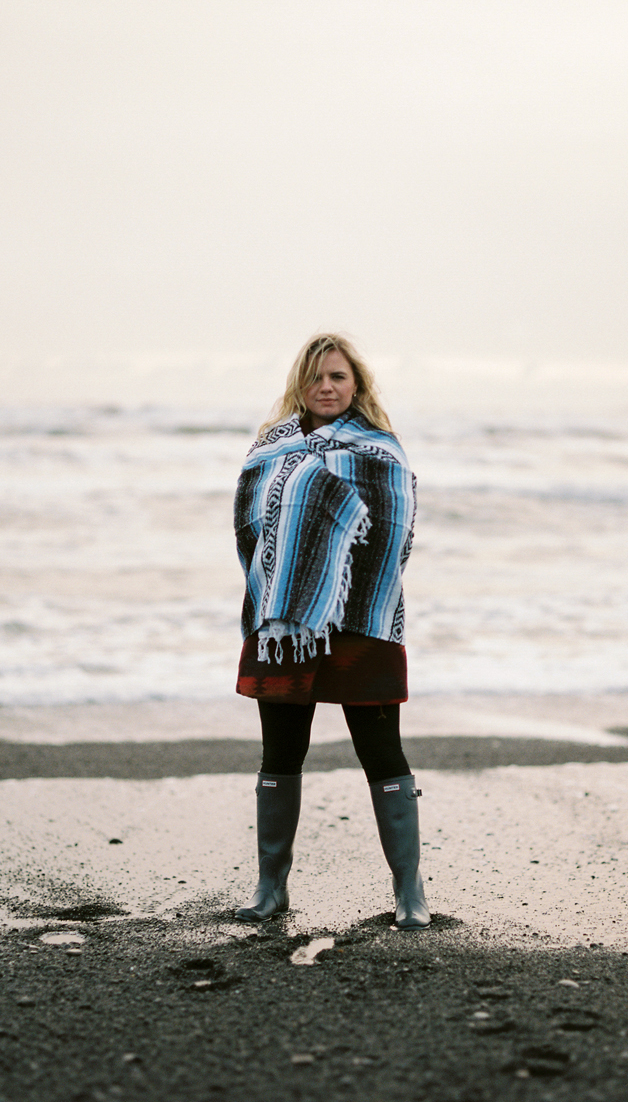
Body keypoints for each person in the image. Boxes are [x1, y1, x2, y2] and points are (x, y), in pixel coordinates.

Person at [232, 333, 429, 929]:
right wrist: (291, 586)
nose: (327, 387)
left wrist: (334, 568)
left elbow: (396, 533)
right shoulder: (269, 451)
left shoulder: (382, 453)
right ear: (300, 384)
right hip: (286, 624)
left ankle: (409, 893)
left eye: (339, 377)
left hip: (361, 618)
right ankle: (271, 889)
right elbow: (251, 531)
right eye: (316, 377)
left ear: (357, 385)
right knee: (282, 750)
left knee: (380, 749)